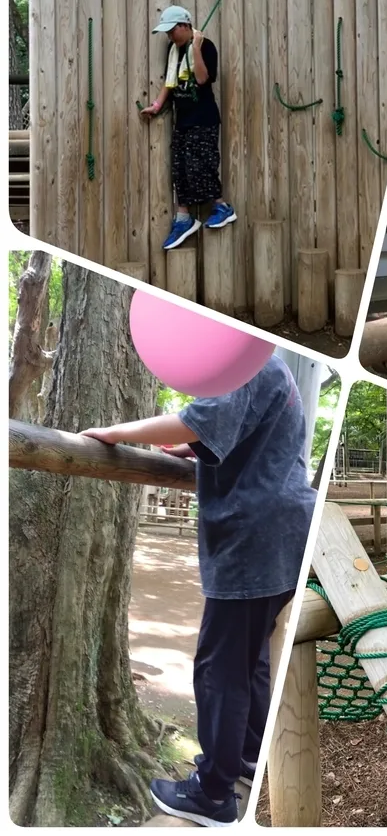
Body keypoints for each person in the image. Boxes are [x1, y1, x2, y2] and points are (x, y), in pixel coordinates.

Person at [80, 354, 317, 826]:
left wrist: (113, 433)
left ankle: (213, 793)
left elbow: (199, 418)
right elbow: (240, 432)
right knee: (249, 659)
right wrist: (195, 448)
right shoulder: (273, 367)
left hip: (255, 538)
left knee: (219, 669)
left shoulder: (249, 361)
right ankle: (246, 755)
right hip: (283, 535)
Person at [143, 5, 236, 251]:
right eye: (167, 32)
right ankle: (184, 218)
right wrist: (157, 105)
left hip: (203, 118)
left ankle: (222, 207)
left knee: (202, 165)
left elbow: (203, 79)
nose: (169, 36)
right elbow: (170, 82)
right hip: (182, 119)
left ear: (185, 26)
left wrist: (195, 47)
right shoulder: (173, 50)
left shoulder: (205, 46)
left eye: (172, 31)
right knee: (179, 169)